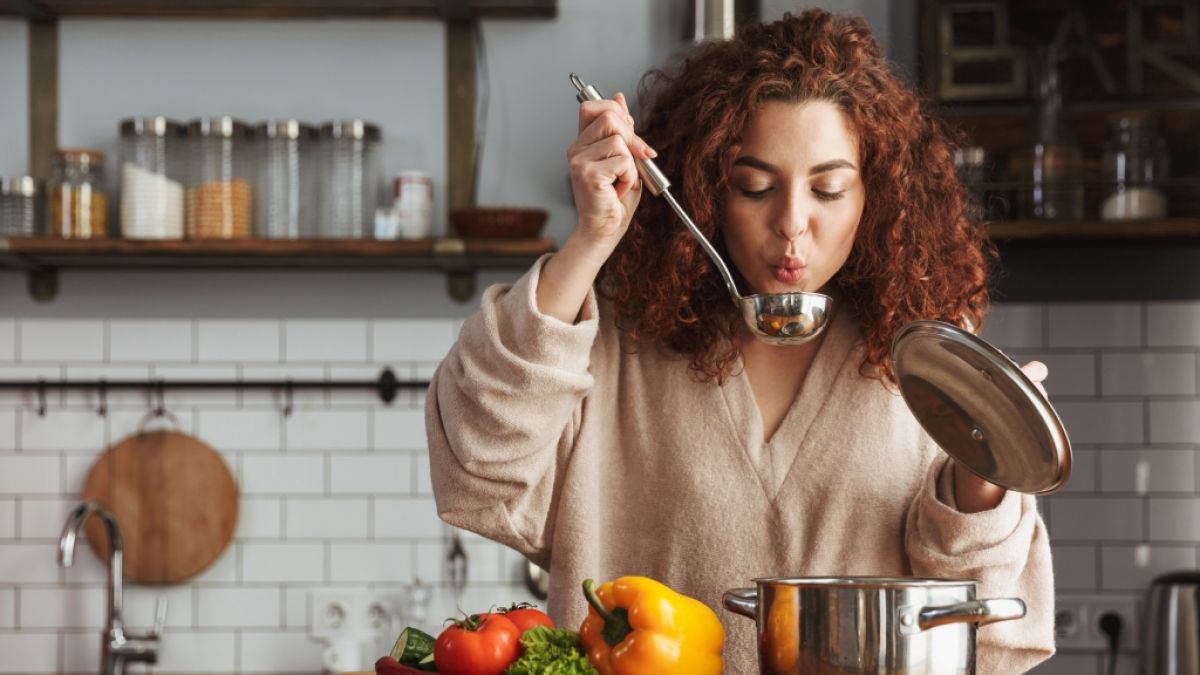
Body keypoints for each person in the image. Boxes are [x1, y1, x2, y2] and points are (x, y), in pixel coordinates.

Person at [426, 8, 1054, 674]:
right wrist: (590, 243)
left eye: (828, 189)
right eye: (754, 186)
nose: (791, 224)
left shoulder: (927, 364)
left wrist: (983, 476)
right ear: (704, 189)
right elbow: (478, 470)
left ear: (878, 196)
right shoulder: (615, 343)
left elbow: (989, 631)